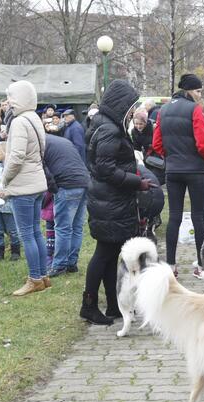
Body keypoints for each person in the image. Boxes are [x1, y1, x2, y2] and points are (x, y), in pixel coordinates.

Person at [82, 79, 155, 325]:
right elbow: (105, 168)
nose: (133, 111)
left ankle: (113, 305)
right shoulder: (109, 129)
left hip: (111, 201)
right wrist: (138, 182)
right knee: (104, 254)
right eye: (131, 106)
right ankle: (89, 305)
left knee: (112, 254)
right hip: (110, 201)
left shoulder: (105, 125)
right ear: (121, 105)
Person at [152, 73, 204, 277]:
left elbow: (156, 143)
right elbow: (203, 143)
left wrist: (171, 157)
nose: (199, 95)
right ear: (188, 90)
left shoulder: (163, 110)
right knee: (197, 217)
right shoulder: (195, 109)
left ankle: (170, 265)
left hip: (173, 170)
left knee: (174, 217)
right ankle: (202, 266)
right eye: (197, 91)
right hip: (196, 170)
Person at [0, 80, 49, 297]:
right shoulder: (34, 118)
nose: (8, 101)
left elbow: (17, 157)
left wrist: (4, 180)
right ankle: (43, 276)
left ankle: (34, 279)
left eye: (10, 96)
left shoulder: (19, 121)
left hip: (24, 187)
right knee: (36, 232)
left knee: (27, 234)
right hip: (37, 183)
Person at [43, 134, 90, 277]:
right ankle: (71, 263)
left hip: (67, 184)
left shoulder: (38, 143)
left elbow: (44, 170)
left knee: (63, 228)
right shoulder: (61, 140)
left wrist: (53, 189)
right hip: (84, 181)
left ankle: (58, 265)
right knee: (76, 227)